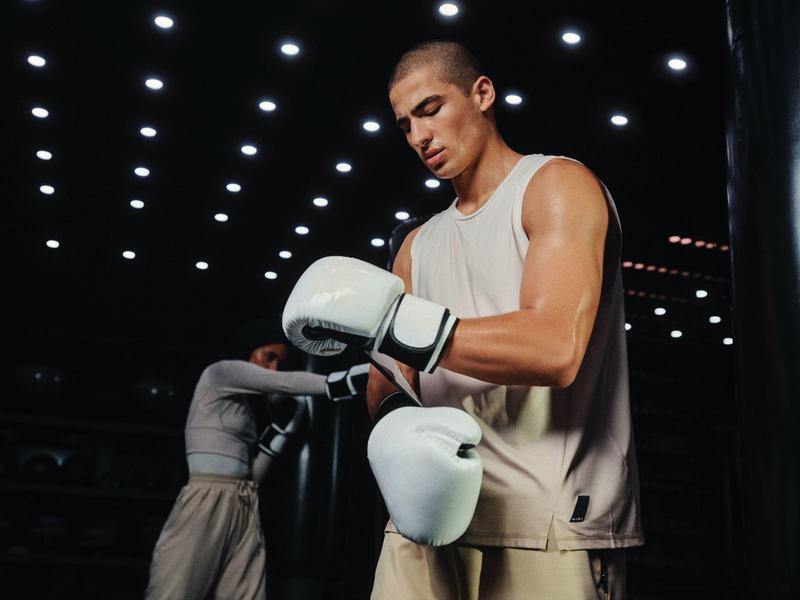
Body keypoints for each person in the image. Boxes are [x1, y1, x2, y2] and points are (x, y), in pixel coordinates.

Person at [282, 40, 643, 599]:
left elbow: (553, 348)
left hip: (544, 521)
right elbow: (387, 385)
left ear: (482, 93)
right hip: (426, 520)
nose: (419, 136)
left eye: (430, 109)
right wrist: (408, 437)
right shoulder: (416, 245)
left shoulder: (554, 186)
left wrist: (391, 322)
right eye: (404, 125)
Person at [144, 318, 368, 600]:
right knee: (173, 591)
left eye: (278, 361)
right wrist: (351, 379)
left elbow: (249, 477)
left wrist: (279, 435)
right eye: (268, 356)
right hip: (205, 498)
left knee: (244, 594)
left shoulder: (247, 408)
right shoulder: (218, 374)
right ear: (248, 350)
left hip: (245, 500)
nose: (272, 367)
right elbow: (283, 382)